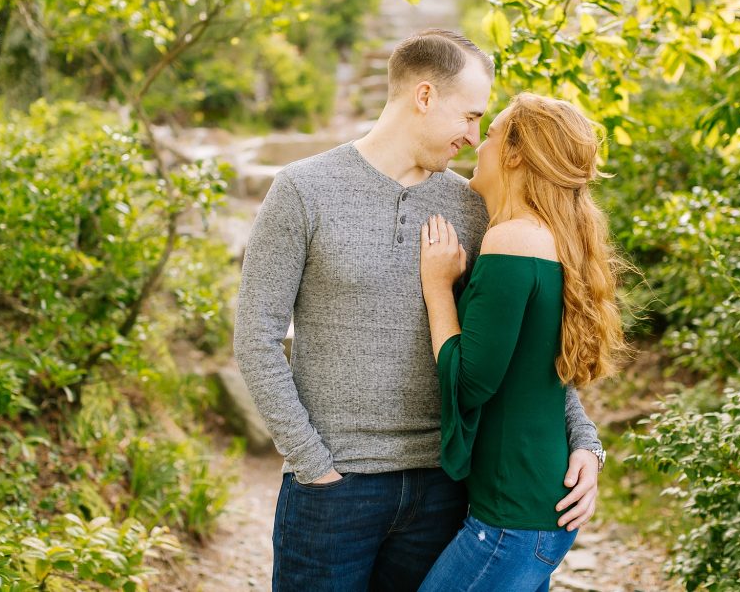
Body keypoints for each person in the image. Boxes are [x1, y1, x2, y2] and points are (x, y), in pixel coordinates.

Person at [233, 30, 606, 592]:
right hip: (336, 488)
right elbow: (256, 338)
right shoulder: (303, 190)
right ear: (425, 96)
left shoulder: (475, 207)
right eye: (469, 116)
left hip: (446, 485)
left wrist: (584, 438)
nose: (474, 137)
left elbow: (522, 346)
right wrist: (313, 464)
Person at [416, 93, 626, 591]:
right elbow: (542, 376)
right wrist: (589, 446)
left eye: (489, 135)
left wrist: (437, 286)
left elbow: (469, 383)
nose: (476, 142)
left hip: (512, 518)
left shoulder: (513, 239)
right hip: (530, 509)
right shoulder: (548, 238)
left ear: (513, 154)